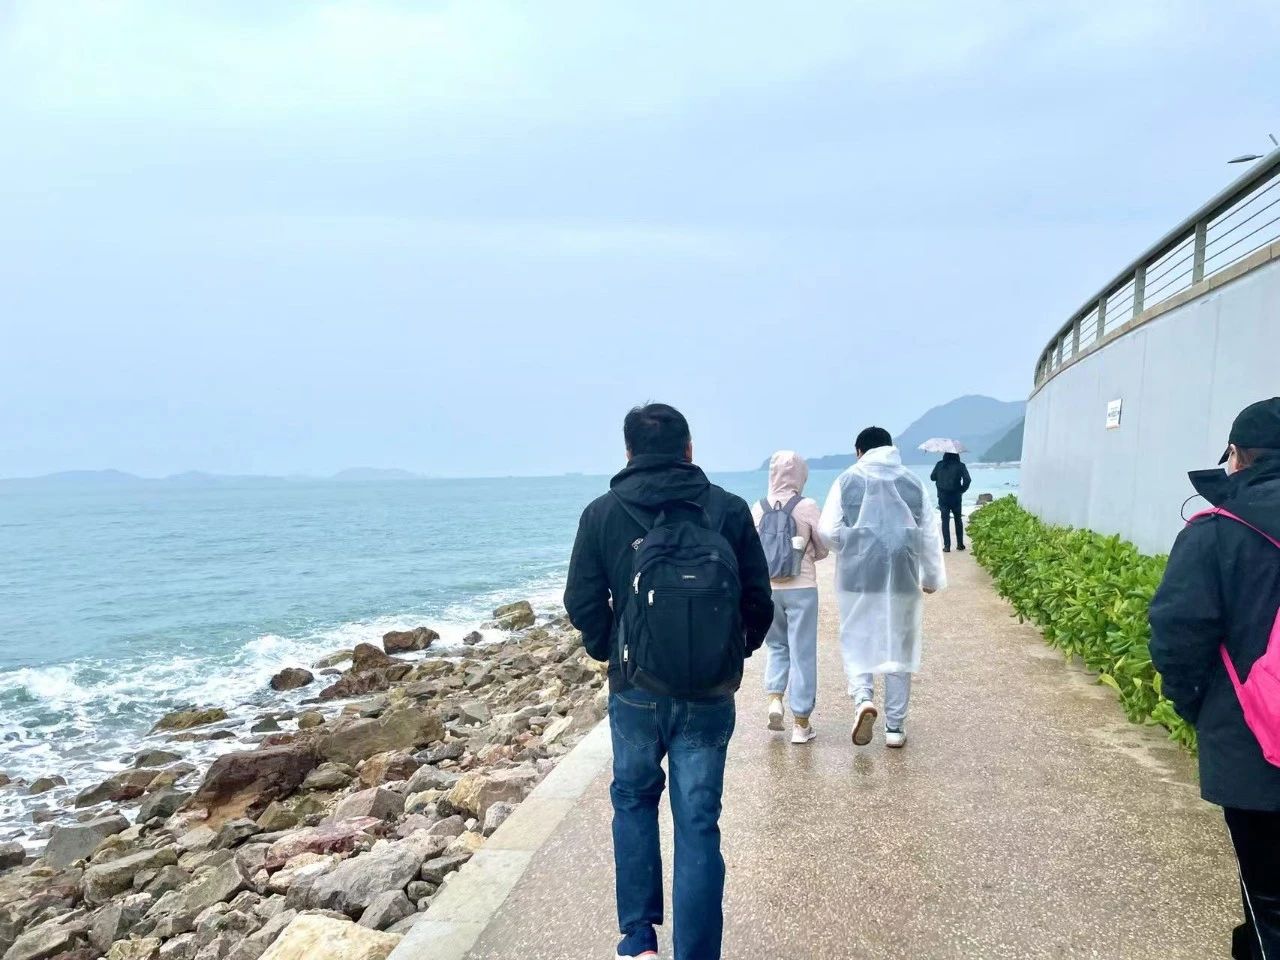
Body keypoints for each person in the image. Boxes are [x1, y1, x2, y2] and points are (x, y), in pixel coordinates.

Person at [564, 403, 773, 960]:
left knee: (634, 801)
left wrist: (613, 652)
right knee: (698, 822)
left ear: (628, 452)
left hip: (635, 691)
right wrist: (731, 655)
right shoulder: (728, 509)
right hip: (709, 694)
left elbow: (581, 600)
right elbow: (758, 600)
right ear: (689, 449)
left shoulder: (602, 513)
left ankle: (639, 941)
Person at [1149, 397, 1280, 960]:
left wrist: (1198, 707)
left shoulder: (1216, 533)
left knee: (1270, 900)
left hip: (1255, 751)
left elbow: (1177, 636)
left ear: (1236, 456)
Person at [819, 426, 946, 748]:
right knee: (898, 648)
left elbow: (827, 531)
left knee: (857, 639)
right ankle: (894, 728)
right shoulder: (912, 482)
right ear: (891, 448)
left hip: (857, 578)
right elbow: (929, 533)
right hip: (903, 577)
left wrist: (853, 546)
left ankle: (863, 700)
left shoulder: (847, 479)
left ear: (859, 451)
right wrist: (931, 577)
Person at [752, 451, 830, 744]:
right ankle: (801, 723)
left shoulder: (758, 507)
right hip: (802, 587)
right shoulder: (807, 506)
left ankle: (775, 699)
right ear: (800, 475)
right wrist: (807, 557)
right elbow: (824, 545)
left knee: (776, 646)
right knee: (802, 651)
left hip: (769, 588)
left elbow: (752, 550)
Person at [930, 451, 972, 552]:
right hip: (956, 496)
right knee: (958, 520)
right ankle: (960, 544)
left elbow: (932, 477)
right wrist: (962, 490)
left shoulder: (940, 464)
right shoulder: (961, 465)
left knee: (945, 521)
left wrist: (940, 475)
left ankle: (947, 546)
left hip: (943, 497)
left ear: (945, 455)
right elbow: (967, 480)